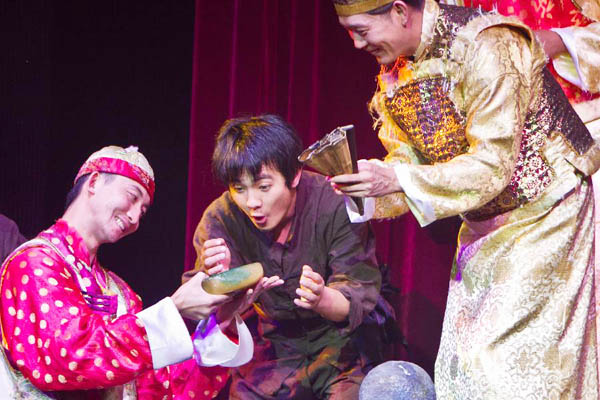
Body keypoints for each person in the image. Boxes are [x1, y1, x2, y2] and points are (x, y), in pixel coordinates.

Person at [330, 0, 600, 398]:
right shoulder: (397, 68)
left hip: (547, 212)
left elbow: (493, 165)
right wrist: (370, 189)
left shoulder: (488, 44)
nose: (355, 44)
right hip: (482, 225)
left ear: (401, 12)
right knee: (464, 368)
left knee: (514, 368)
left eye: (361, 30)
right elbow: (409, 158)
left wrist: (397, 177)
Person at [0, 145, 281, 399]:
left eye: (143, 211)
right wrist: (175, 307)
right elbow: (71, 355)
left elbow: (162, 388)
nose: (135, 217)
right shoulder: (35, 261)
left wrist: (221, 321)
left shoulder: (121, 293)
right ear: (95, 182)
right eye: (132, 197)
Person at [185, 114, 384, 399]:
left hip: (340, 346)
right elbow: (200, 314)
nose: (252, 202)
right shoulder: (220, 219)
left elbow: (357, 291)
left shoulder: (331, 203)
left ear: (294, 175)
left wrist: (321, 298)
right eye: (239, 189)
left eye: (264, 187)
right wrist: (219, 283)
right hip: (272, 352)